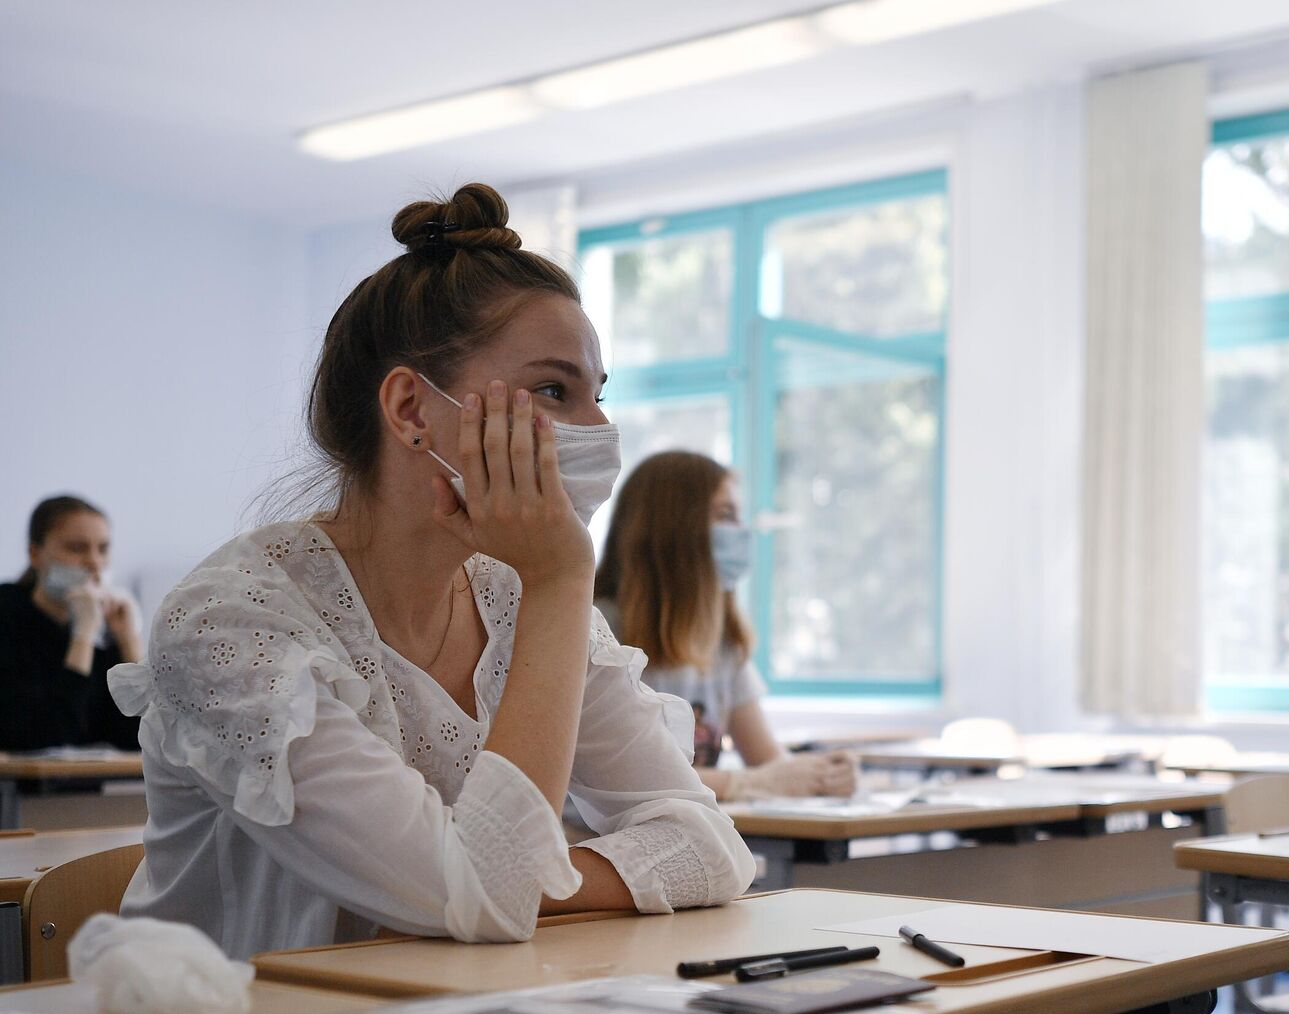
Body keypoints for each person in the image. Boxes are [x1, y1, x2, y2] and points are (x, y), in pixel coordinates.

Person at [106, 184, 754, 958]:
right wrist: (558, 582)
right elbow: (480, 894)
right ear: (413, 410)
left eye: (598, 395)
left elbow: (709, 845)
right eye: (555, 391)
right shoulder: (229, 624)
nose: (601, 430)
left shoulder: (516, 595)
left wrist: (514, 884)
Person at [596, 451, 856, 801]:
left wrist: (822, 775)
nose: (741, 532)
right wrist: (748, 784)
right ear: (673, 527)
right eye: (725, 515)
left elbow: (769, 763)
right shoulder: (599, 630)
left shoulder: (722, 643)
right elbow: (627, 775)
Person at [0, 495, 143, 750]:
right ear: (35, 554)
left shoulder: (108, 624)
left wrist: (129, 644)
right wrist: (83, 636)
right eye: (77, 548)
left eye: (103, 549)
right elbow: (45, 736)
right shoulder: (7, 613)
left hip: (92, 787)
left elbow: (142, 739)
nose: (94, 562)